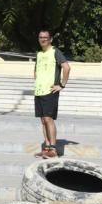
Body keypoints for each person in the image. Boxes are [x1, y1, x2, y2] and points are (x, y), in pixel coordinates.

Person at [34, 30, 70, 159]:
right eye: (40, 37)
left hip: (50, 91)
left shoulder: (55, 52)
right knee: (43, 121)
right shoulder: (39, 54)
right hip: (39, 91)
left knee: (49, 119)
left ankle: (53, 150)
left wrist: (62, 85)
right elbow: (36, 70)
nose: (42, 39)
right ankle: (47, 148)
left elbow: (66, 67)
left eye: (45, 37)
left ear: (50, 39)